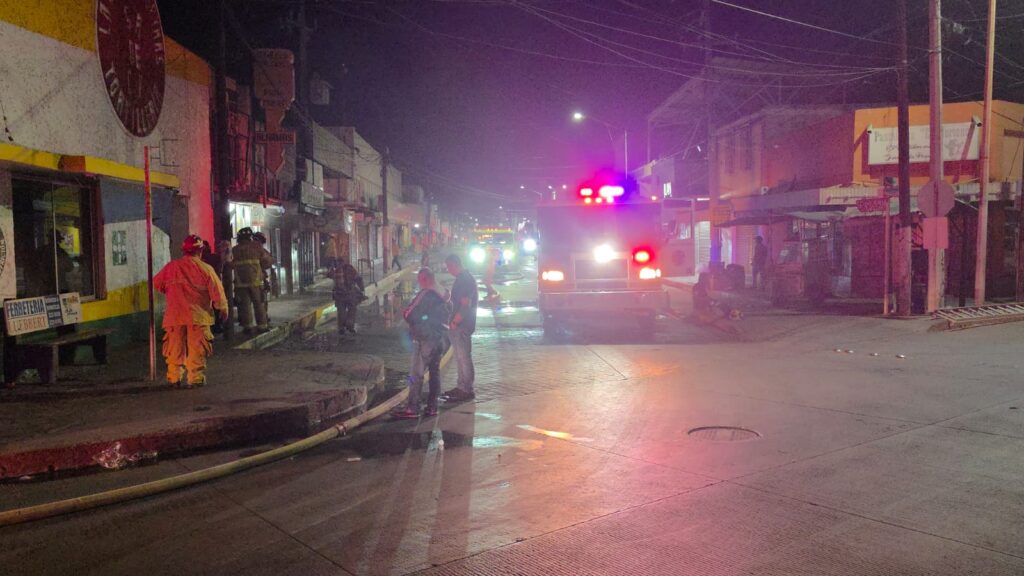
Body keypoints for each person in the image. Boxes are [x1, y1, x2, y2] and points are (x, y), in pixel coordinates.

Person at [153, 235, 228, 388]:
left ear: (184, 250)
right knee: (197, 349)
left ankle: (174, 378)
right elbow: (217, 292)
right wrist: (222, 308)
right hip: (198, 316)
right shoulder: (206, 269)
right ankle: (195, 379)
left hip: (175, 315)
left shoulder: (171, 267)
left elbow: (157, 283)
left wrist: (173, 292)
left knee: (175, 349)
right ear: (200, 251)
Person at [392, 267, 451, 418]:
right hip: (440, 339)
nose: (419, 284)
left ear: (424, 279)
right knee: (435, 373)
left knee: (414, 374)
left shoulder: (426, 294)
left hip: (424, 339)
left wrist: (415, 318)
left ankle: (412, 407)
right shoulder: (444, 292)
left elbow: (409, 313)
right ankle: (433, 407)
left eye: (419, 281)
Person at [442, 254, 477, 403]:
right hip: (460, 324)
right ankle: (461, 386)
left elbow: (465, 304)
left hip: (462, 325)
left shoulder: (464, 280)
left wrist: (455, 322)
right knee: (460, 357)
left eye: (449, 267)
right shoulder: (464, 278)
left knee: (463, 358)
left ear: (454, 264)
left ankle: (466, 389)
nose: (448, 270)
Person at [230, 227, 274, 335]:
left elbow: (230, 264)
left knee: (245, 306)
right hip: (256, 282)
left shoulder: (235, 249)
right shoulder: (257, 246)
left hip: (240, 283)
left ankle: (248, 327)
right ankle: (262, 326)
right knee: (259, 304)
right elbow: (267, 261)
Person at [331, 257, 365, 335]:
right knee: (352, 310)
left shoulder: (335, 270)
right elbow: (358, 278)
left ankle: (341, 328)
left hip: (339, 295)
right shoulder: (349, 268)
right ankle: (350, 326)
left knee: (341, 311)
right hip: (349, 294)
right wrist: (362, 288)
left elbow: (329, 276)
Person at [253, 231, 273, 322]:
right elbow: (268, 262)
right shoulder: (260, 249)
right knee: (262, 301)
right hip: (260, 279)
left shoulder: (249, 249)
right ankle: (263, 318)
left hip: (246, 281)